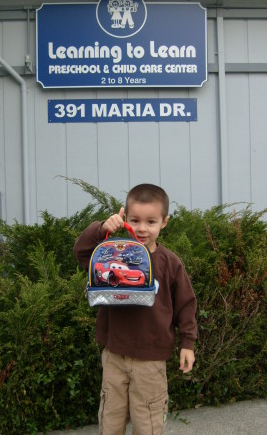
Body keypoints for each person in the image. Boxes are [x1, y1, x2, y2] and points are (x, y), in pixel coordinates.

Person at [74, 183, 197, 435]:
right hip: (114, 354)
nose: (142, 228)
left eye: (151, 221)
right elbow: (82, 251)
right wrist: (101, 229)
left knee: (148, 423)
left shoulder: (170, 262)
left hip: (151, 359)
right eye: (135, 220)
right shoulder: (111, 254)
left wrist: (188, 343)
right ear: (125, 218)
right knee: (110, 420)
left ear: (164, 222)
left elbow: (186, 303)